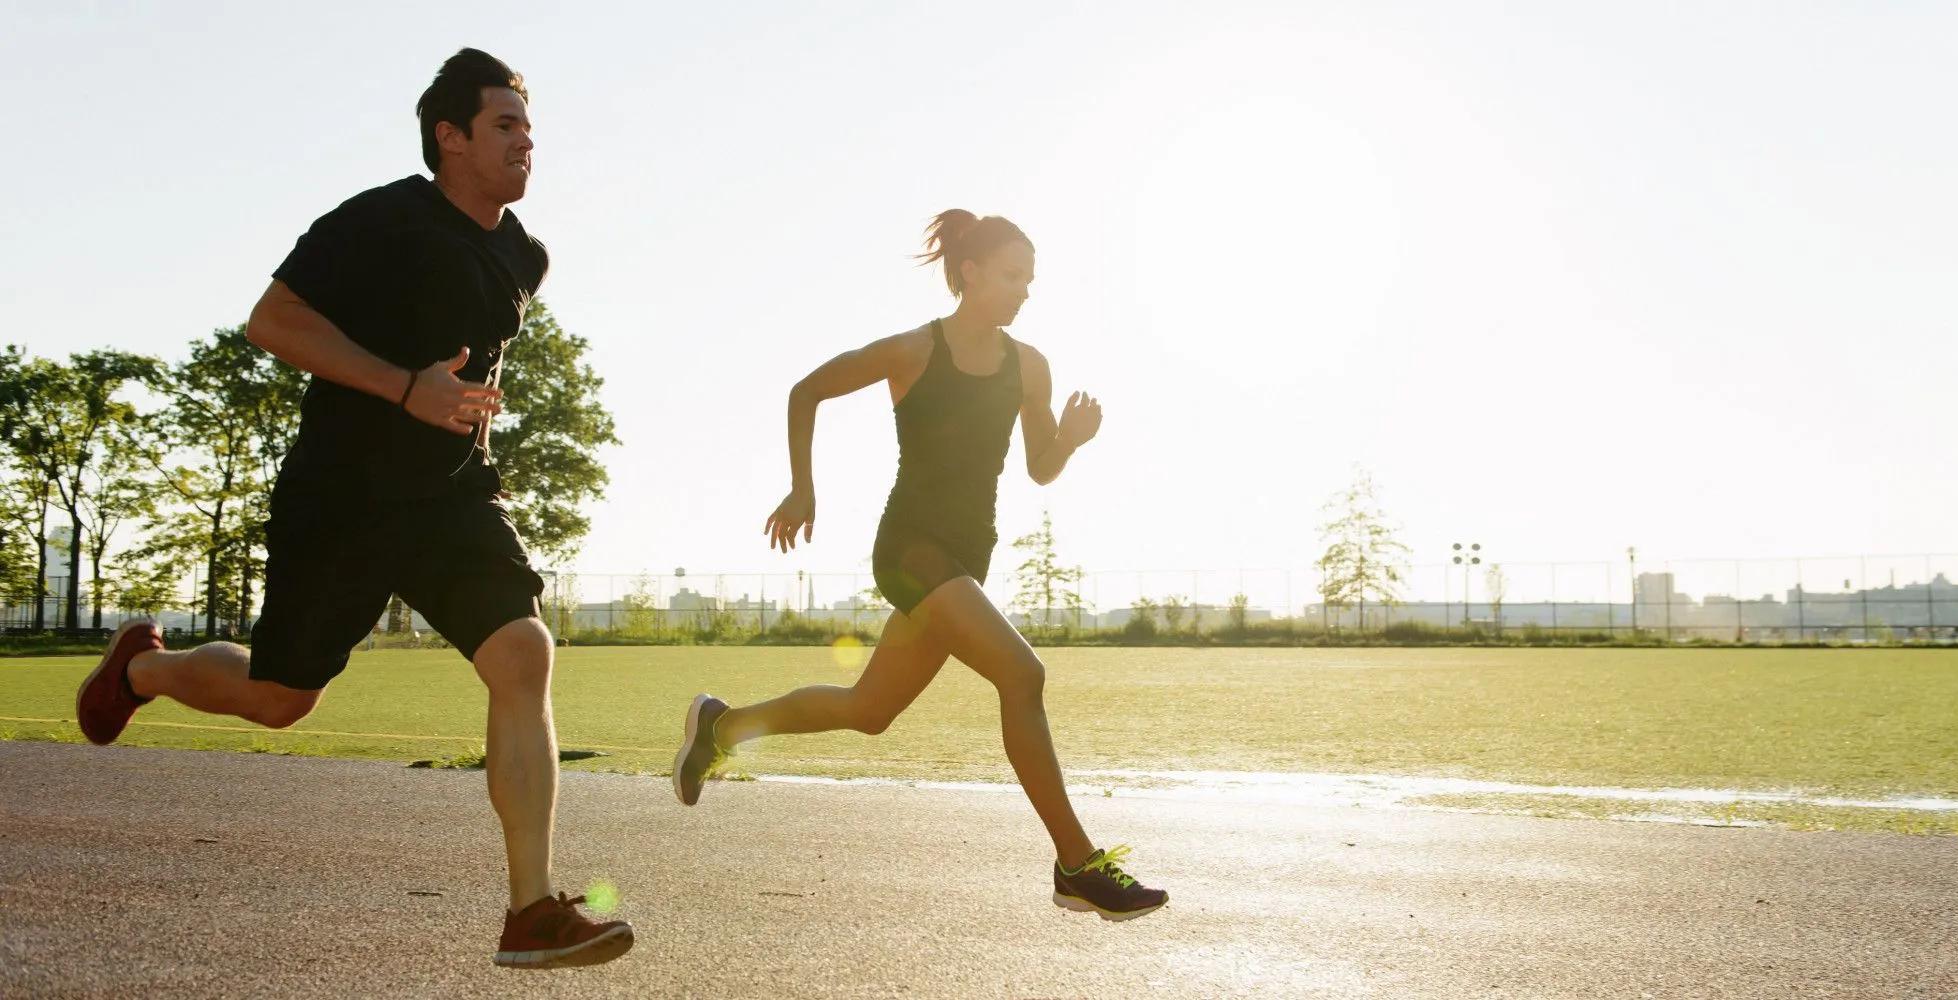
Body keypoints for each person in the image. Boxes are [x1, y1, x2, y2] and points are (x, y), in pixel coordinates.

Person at [72, 48, 632, 968]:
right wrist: (400, 389)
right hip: (343, 493)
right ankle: (143, 671)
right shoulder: (380, 219)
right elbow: (272, 320)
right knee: (281, 698)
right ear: (449, 139)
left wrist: (462, 434)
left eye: (528, 126)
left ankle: (530, 910)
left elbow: (473, 371)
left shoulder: (523, 253)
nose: (525, 140)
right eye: (504, 124)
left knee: (524, 650)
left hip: (449, 494)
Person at [671, 210, 1168, 921]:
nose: (1023, 290)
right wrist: (803, 487)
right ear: (968, 272)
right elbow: (805, 390)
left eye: (1029, 279)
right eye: (1011, 275)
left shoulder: (1030, 366)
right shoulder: (913, 351)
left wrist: (1071, 441)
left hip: (969, 556)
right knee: (1023, 674)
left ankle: (720, 726)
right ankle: (1075, 863)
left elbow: (1039, 468)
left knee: (869, 710)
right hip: (910, 549)